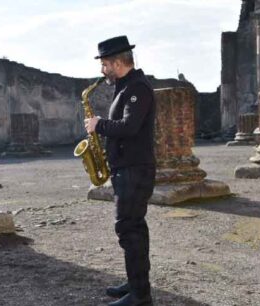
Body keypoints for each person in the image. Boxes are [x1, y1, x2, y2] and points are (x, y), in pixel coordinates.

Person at [85, 35, 156, 306]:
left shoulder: (138, 88)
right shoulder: (126, 86)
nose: (102, 70)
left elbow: (129, 127)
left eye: (104, 64)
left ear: (116, 62)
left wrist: (99, 125)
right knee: (134, 228)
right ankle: (135, 282)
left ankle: (140, 296)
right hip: (127, 169)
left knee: (129, 229)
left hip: (134, 171)